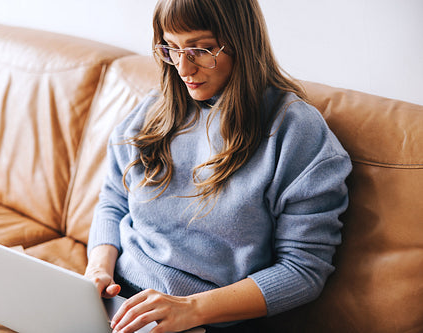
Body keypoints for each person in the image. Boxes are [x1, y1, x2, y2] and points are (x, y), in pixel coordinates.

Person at [84, 0, 352, 332]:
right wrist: (97, 269)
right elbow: (113, 198)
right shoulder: (154, 110)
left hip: (206, 318)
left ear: (241, 42)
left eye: (200, 49)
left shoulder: (295, 132)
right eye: (172, 48)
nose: (183, 69)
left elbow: (302, 270)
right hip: (120, 301)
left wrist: (190, 309)